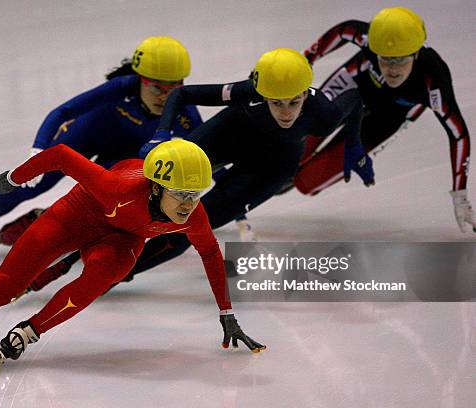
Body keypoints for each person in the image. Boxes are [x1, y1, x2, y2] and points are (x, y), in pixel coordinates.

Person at [0, 140, 266, 374]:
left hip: (122, 238)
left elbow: (211, 254)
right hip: (77, 215)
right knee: (3, 288)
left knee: (103, 274)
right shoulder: (116, 187)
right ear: (157, 187)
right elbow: (60, 154)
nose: (188, 204)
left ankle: (29, 331)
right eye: (181, 194)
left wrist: (226, 314)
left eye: (195, 195)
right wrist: (13, 179)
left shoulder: (193, 216)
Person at [23, 48, 373, 294]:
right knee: (151, 189)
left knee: (187, 224)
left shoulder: (323, 112)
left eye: (293, 102)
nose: (285, 112)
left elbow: (355, 102)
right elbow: (182, 94)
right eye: (275, 102)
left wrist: (354, 146)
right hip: (231, 133)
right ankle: (70, 254)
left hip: (273, 164)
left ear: (305, 96)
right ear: (260, 94)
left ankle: (115, 274)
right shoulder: (247, 92)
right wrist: (163, 134)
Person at [0, 36, 202, 262]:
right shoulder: (121, 88)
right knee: (29, 184)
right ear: (141, 79)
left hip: (121, 158)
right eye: (156, 89)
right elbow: (63, 111)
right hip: (85, 136)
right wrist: (37, 151)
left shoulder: (186, 111)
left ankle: (44, 218)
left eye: (173, 89)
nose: (166, 98)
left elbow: (207, 154)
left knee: (110, 203)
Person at [293, 7, 474, 233]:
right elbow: (343, 30)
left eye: (400, 60)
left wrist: (460, 195)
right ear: (374, 50)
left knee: (307, 183)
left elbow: (458, 135)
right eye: (385, 60)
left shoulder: (433, 78)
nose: (392, 69)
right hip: (356, 84)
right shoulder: (370, 39)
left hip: (387, 116)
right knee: (291, 145)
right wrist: (306, 59)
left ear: (416, 54)